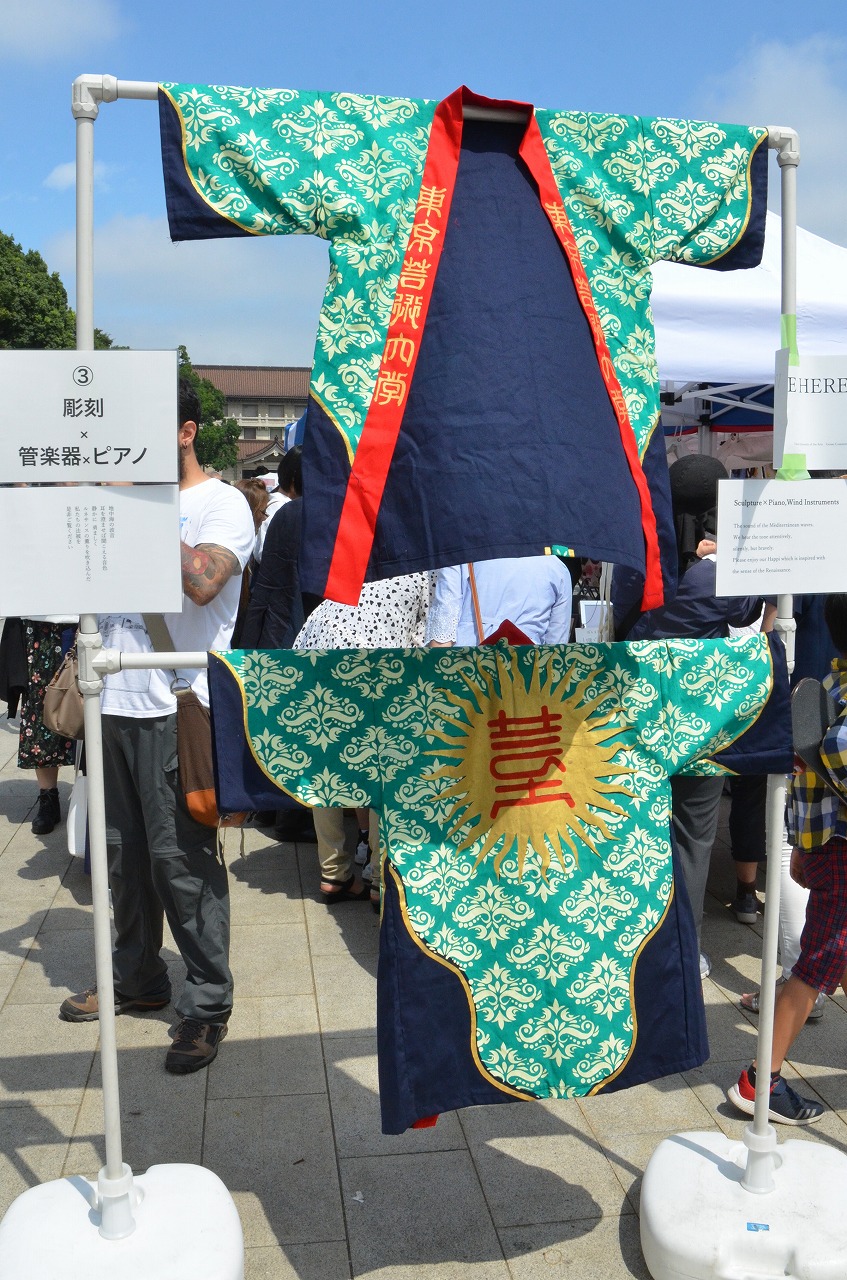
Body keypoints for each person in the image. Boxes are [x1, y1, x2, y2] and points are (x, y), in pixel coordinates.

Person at [58, 375, 256, 1075]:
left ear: (185, 431)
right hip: (109, 700)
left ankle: (205, 1006)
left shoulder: (221, 503)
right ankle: (137, 982)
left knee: (182, 862)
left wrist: (134, 506)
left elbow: (203, 582)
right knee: (116, 857)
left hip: (177, 704)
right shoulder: (115, 502)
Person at [625, 456, 762, 977]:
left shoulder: (641, 557)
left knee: (638, 829)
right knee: (693, 835)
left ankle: (634, 939)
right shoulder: (722, 573)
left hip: (638, 711)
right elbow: (751, 611)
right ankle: (683, 949)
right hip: (704, 718)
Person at [727, 594, 847, 1125]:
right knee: (816, 969)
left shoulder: (826, 689)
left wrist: (800, 848)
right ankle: (760, 1081)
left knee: (832, 960)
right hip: (842, 861)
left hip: (826, 852)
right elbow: (835, 755)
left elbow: (805, 781)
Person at [292, 572, 435, 907]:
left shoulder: (353, 563)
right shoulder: (423, 570)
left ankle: (333, 874)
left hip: (321, 661)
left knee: (326, 770)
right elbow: (423, 642)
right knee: (380, 771)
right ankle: (375, 876)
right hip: (377, 668)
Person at [15, 614, 77, 834]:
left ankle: (97, 793)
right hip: (40, 621)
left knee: (92, 707)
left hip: (89, 616)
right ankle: (48, 798)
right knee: (41, 713)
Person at [425, 556, 573, 647]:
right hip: (526, 672)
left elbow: (441, 636)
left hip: (467, 666)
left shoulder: (461, 555)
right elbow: (556, 647)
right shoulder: (558, 568)